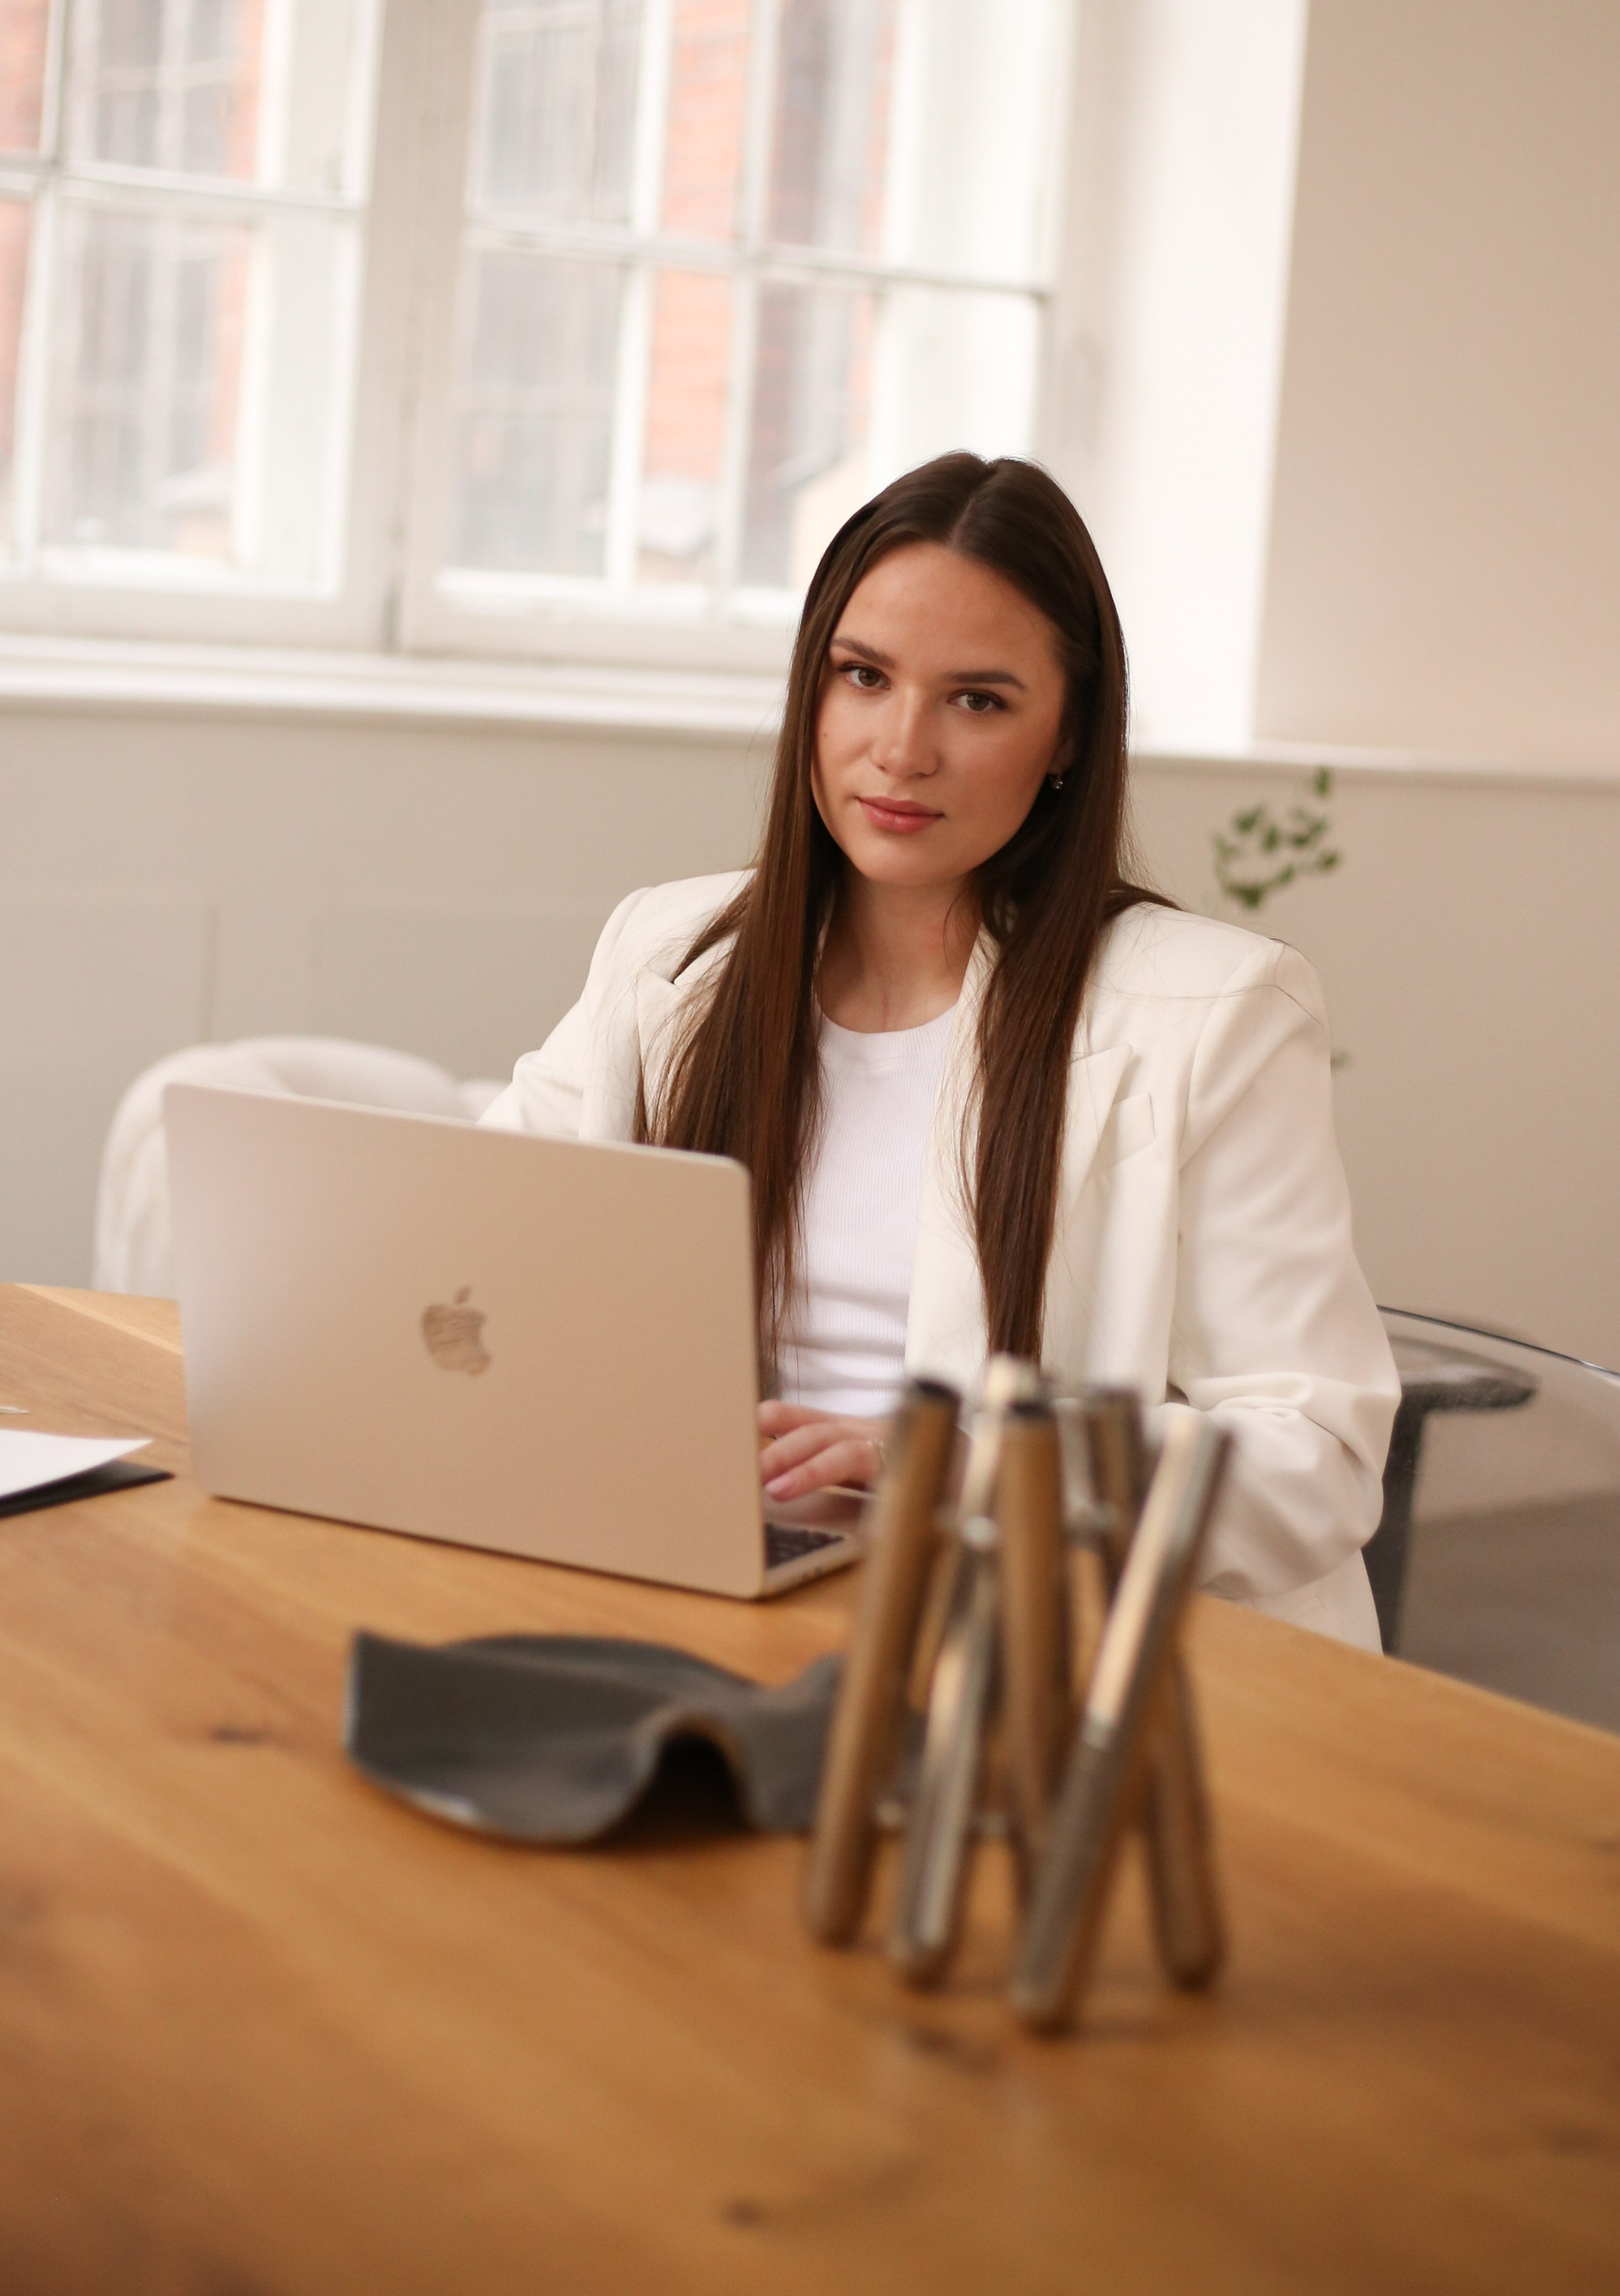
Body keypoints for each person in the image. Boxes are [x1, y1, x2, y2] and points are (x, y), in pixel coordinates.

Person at [481, 453, 1399, 1648]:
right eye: (865, 677)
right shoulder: (668, 955)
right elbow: (482, 1248)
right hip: (707, 1594)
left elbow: (1314, 1454)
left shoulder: (1218, 1011)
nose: (901, 748)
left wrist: (974, 1469)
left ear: (1066, 735)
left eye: (978, 700)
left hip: (1032, 1655)